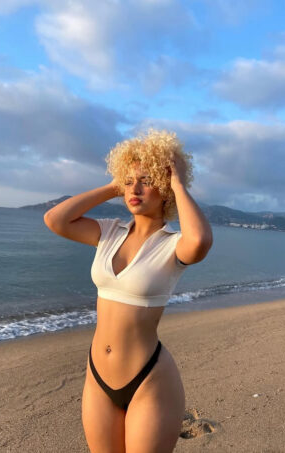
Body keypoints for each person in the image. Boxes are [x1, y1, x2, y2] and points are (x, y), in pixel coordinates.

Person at [43, 128, 213, 453]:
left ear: (164, 187)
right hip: (98, 377)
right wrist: (113, 185)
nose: (134, 189)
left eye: (146, 180)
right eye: (129, 181)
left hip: (148, 379)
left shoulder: (172, 245)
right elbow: (55, 219)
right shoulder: (109, 231)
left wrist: (178, 183)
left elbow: (201, 241)